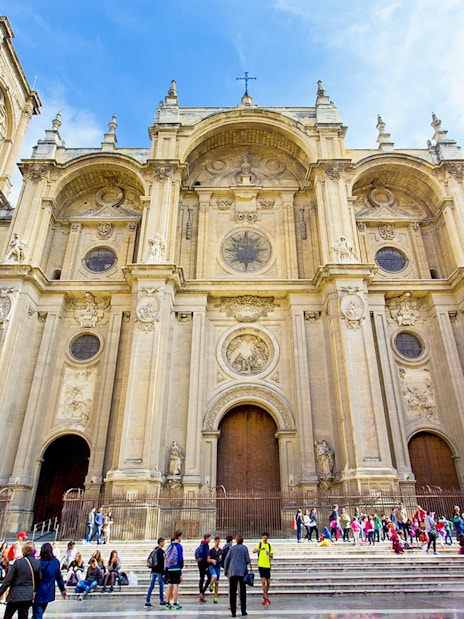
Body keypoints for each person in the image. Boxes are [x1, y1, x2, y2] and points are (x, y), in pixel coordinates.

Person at [0, 540, 41, 619]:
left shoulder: (18, 562)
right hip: (27, 596)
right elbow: (38, 580)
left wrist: (1, 591)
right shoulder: (37, 563)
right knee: (23, 616)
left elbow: (8, 580)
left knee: (8, 616)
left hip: (14, 595)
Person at [32, 542, 66, 619]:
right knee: (39, 612)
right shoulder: (55, 562)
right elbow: (59, 577)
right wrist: (63, 590)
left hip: (38, 592)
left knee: (37, 613)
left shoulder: (38, 563)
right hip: (49, 591)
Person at [224, 534, 250, 618]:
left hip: (232, 572)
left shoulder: (232, 548)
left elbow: (227, 560)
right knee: (242, 592)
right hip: (242, 572)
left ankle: (233, 612)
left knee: (232, 592)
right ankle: (243, 610)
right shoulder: (244, 548)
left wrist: (226, 571)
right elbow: (248, 560)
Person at [164, 530, 184, 611]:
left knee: (169, 584)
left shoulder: (169, 546)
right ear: (179, 537)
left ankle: (167, 603)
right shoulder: (179, 546)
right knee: (175, 585)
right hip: (176, 567)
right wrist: (181, 567)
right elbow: (181, 558)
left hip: (169, 567)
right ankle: (175, 603)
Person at [145, 537, 166, 608]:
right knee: (161, 585)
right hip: (159, 571)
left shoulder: (154, 551)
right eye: (163, 542)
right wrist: (164, 573)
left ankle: (147, 600)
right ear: (161, 542)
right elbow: (162, 563)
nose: (164, 544)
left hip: (153, 571)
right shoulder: (161, 552)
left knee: (151, 586)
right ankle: (162, 600)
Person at [253, 531, 273, 606]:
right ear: (262, 538)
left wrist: (269, 554)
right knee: (263, 581)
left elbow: (272, 556)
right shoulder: (260, 545)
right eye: (263, 537)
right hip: (261, 565)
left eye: (266, 537)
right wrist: (260, 549)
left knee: (268, 582)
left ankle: (265, 594)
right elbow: (254, 551)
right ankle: (265, 596)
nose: (264, 539)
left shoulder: (270, 546)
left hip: (267, 565)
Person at [196, 533, 211, 603]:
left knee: (202, 578)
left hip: (200, 564)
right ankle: (202, 593)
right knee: (209, 578)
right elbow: (206, 556)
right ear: (207, 538)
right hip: (204, 564)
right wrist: (207, 566)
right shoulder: (206, 545)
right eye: (209, 538)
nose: (210, 539)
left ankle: (201, 593)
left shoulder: (201, 544)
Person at [207, 536, 222, 604]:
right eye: (217, 541)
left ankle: (215, 597)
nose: (217, 543)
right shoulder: (211, 550)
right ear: (214, 541)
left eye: (219, 541)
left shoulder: (221, 551)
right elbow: (208, 559)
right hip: (212, 566)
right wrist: (212, 560)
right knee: (214, 576)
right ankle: (211, 584)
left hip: (218, 566)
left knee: (217, 583)